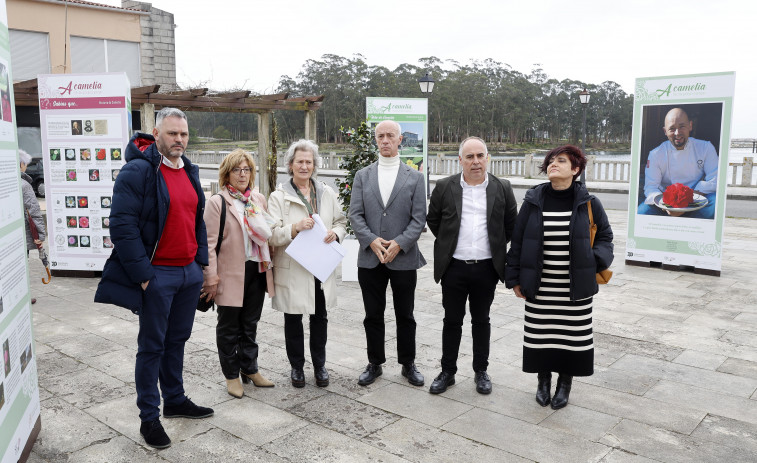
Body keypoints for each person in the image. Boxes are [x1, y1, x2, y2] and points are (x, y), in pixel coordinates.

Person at [94, 108, 213, 449]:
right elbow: (122, 226)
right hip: (157, 274)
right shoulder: (138, 171)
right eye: (173, 133)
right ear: (156, 133)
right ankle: (150, 417)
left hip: (187, 274)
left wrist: (201, 263)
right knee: (151, 347)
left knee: (177, 341)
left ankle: (174, 399)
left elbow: (197, 220)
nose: (179, 140)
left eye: (184, 134)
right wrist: (145, 277)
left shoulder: (189, 170)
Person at [505, 145, 613, 410]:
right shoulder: (533, 201)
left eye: (561, 160)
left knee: (571, 340)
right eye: (551, 160)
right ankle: (543, 383)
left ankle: (565, 385)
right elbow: (517, 242)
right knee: (541, 337)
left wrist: (591, 261)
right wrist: (514, 278)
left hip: (574, 288)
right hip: (540, 287)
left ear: (576, 169)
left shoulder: (589, 203)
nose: (553, 163)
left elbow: (605, 238)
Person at [426, 137, 518, 395]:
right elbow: (434, 221)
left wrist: (495, 246)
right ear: (460, 160)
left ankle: (481, 371)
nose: (475, 161)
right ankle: (448, 371)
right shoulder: (445, 187)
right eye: (470, 157)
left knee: (481, 320)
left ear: (487, 158)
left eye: (480, 156)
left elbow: (511, 225)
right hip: (453, 267)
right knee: (451, 321)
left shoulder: (502, 187)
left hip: (486, 268)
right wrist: (450, 244)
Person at [349, 120, 427, 387]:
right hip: (370, 258)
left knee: (406, 314)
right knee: (373, 314)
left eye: (390, 136)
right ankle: (375, 363)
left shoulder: (415, 177)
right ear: (375, 139)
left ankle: (408, 363)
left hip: (403, 257)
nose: (385, 140)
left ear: (400, 139)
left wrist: (399, 243)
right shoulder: (363, 175)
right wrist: (371, 241)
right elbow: (355, 214)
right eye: (380, 136)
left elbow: (419, 219)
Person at [268, 140, 347, 388]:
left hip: (320, 266)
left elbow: (341, 222)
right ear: (290, 165)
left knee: (319, 318)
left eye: (308, 162)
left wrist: (336, 233)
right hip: (294, 268)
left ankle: (320, 365)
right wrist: (295, 228)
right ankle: (297, 368)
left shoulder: (327, 192)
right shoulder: (278, 197)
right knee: (293, 319)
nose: (304, 166)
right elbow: (271, 234)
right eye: (299, 162)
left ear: (315, 165)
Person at [202, 149, 275, 399]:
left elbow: (267, 233)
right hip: (230, 274)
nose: (242, 174)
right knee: (228, 327)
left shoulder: (257, 200)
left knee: (250, 324)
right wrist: (210, 276)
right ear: (227, 173)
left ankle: (250, 369)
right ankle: (231, 375)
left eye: (247, 170)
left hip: (256, 269)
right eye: (237, 170)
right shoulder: (217, 202)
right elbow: (209, 244)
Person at [638, 107, 718, 218]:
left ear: (690, 125)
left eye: (682, 126)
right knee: (642, 212)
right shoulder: (655, 154)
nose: (677, 133)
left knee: (715, 203)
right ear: (665, 131)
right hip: (666, 200)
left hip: (696, 196)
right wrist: (667, 205)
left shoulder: (706, 148)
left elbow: (715, 179)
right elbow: (651, 187)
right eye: (672, 129)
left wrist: (688, 201)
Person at [19, 149, 46, 304]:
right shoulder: (24, 185)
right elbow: (34, 211)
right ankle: (22, 298)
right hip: (21, 233)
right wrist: (40, 236)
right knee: (21, 265)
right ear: (21, 164)